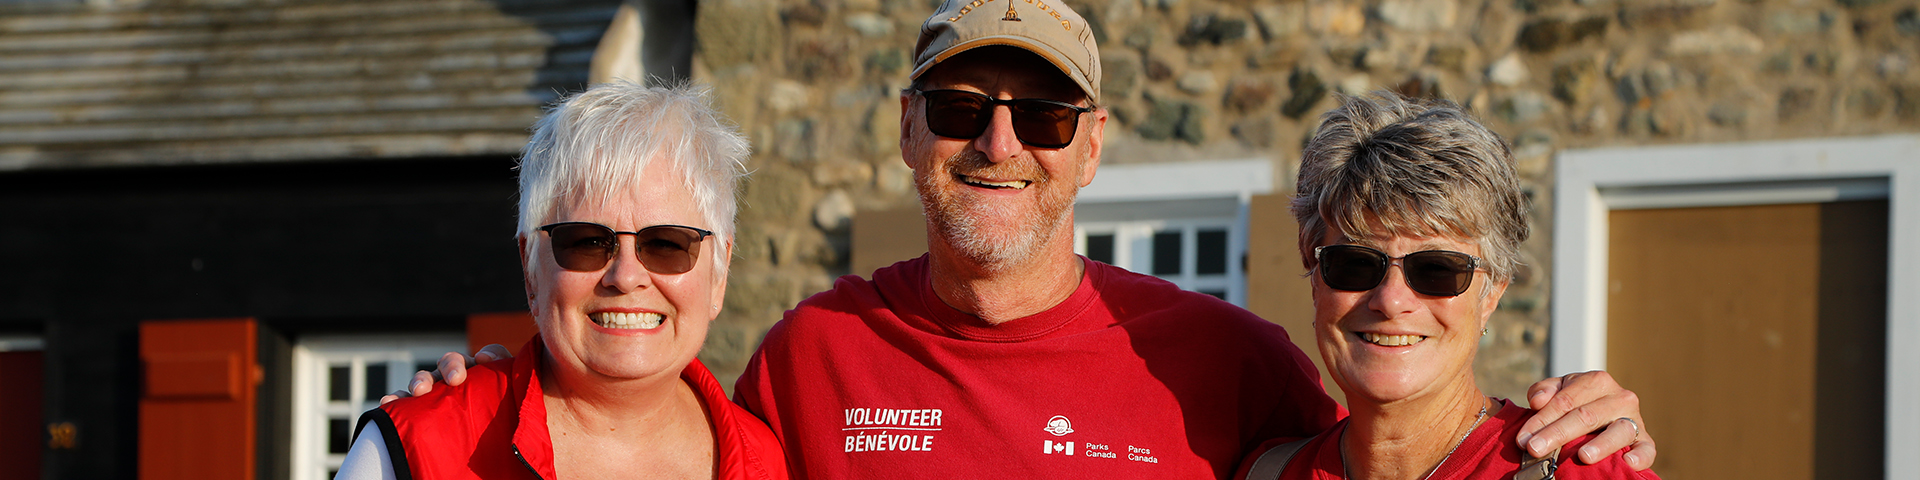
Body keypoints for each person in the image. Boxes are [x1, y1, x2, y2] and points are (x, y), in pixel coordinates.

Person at [405, 1, 1658, 478]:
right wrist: (488, 401)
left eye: (1042, 112)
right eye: (962, 108)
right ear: (908, 130)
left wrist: (1594, 422)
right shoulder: (811, 355)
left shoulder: (1224, 363)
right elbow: (646, 438)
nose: (1000, 143)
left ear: (1092, 142)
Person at [338, 82, 788, 480]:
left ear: (720, 271)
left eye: (667, 244)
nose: (626, 276)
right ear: (530, 265)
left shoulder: (773, 463)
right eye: (587, 242)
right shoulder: (416, 449)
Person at [1235, 93, 1657, 480]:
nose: (1391, 300)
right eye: (1355, 264)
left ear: (1491, 294)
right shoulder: (1265, 474)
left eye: (1436, 269)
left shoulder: (1581, 472)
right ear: (1315, 277)